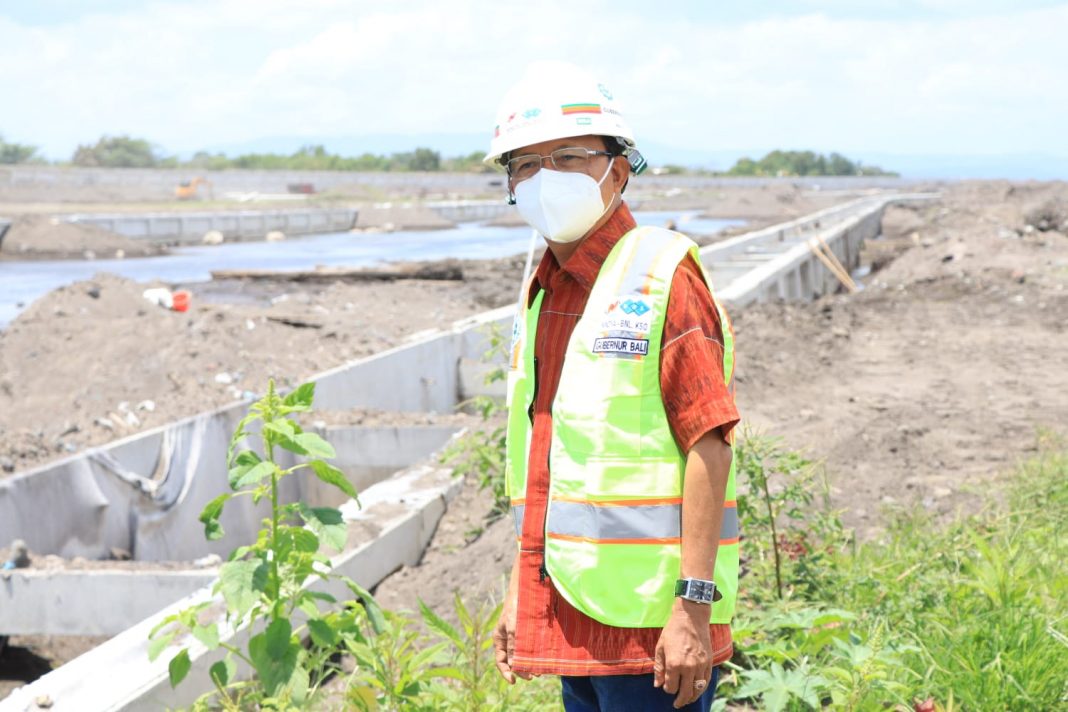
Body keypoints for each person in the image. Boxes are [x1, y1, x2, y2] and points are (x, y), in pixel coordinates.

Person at [487, 62, 741, 712]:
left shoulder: (661, 276)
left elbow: (709, 444)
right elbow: (548, 464)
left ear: (619, 171)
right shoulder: (546, 292)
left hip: (656, 634)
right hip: (575, 616)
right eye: (525, 164)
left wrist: (693, 607)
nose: (545, 178)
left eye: (569, 158)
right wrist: (521, 591)